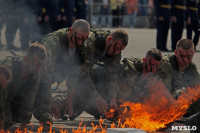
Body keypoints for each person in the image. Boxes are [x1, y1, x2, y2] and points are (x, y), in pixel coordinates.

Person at [62, 28, 129, 119]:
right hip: (71, 69)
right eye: (117, 48)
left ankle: (88, 106)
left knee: (108, 106)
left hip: (88, 72)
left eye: (120, 50)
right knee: (67, 105)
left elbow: (113, 76)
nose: (117, 52)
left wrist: (112, 98)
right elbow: (81, 73)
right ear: (109, 39)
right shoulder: (90, 43)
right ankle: (70, 103)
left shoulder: (115, 49)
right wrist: (97, 98)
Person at [34, 19, 90, 122]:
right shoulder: (54, 42)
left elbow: (75, 75)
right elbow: (44, 73)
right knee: (44, 111)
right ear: (71, 30)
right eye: (78, 38)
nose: (80, 42)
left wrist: (69, 100)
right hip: (37, 78)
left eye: (84, 40)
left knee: (77, 102)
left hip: (55, 76)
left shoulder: (81, 46)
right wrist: (49, 101)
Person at [0, 43, 47, 131]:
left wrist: (23, 128)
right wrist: (2, 129)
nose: (38, 69)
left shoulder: (35, 74)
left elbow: (29, 101)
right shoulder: (9, 67)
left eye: (40, 66)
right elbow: (1, 99)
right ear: (26, 59)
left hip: (8, 100)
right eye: (36, 65)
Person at [161, 39, 200, 117]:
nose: (185, 60)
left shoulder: (191, 67)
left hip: (183, 106)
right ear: (176, 53)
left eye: (189, 56)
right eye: (182, 56)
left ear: (193, 53)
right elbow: (164, 94)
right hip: (165, 104)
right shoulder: (166, 65)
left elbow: (197, 87)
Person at [0, 65, 11, 130]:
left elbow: (1, 112)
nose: (5, 87)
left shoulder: (1, 91)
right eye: (5, 84)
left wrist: (2, 130)